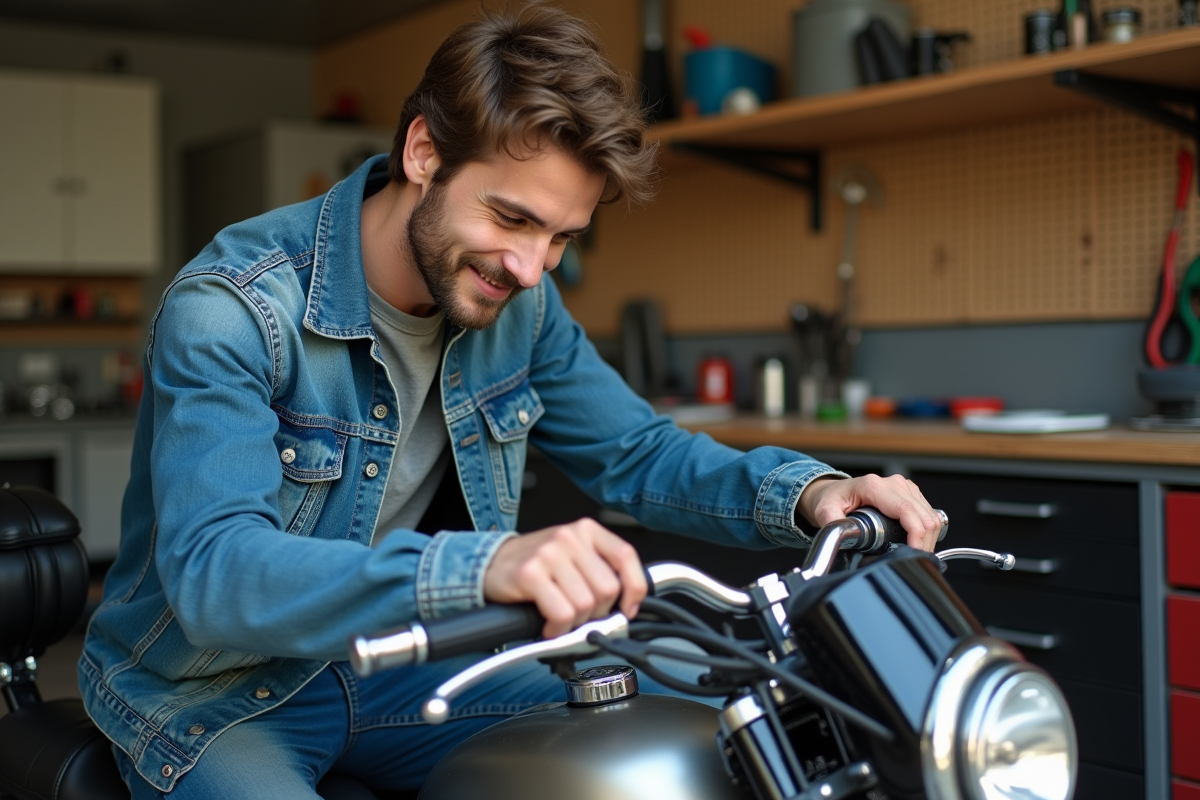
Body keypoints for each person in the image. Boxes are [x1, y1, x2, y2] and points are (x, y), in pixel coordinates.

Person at [79, 4, 943, 797]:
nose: (532, 268)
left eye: (563, 236)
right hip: (211, 690)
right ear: (423, 153)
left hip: (380, 664)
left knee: (716, 722)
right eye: (513, 219)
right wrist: (482, 568)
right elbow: (215, 574)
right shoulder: (231, 309)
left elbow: (636, 455)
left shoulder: (520, 306)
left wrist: (815, 494)